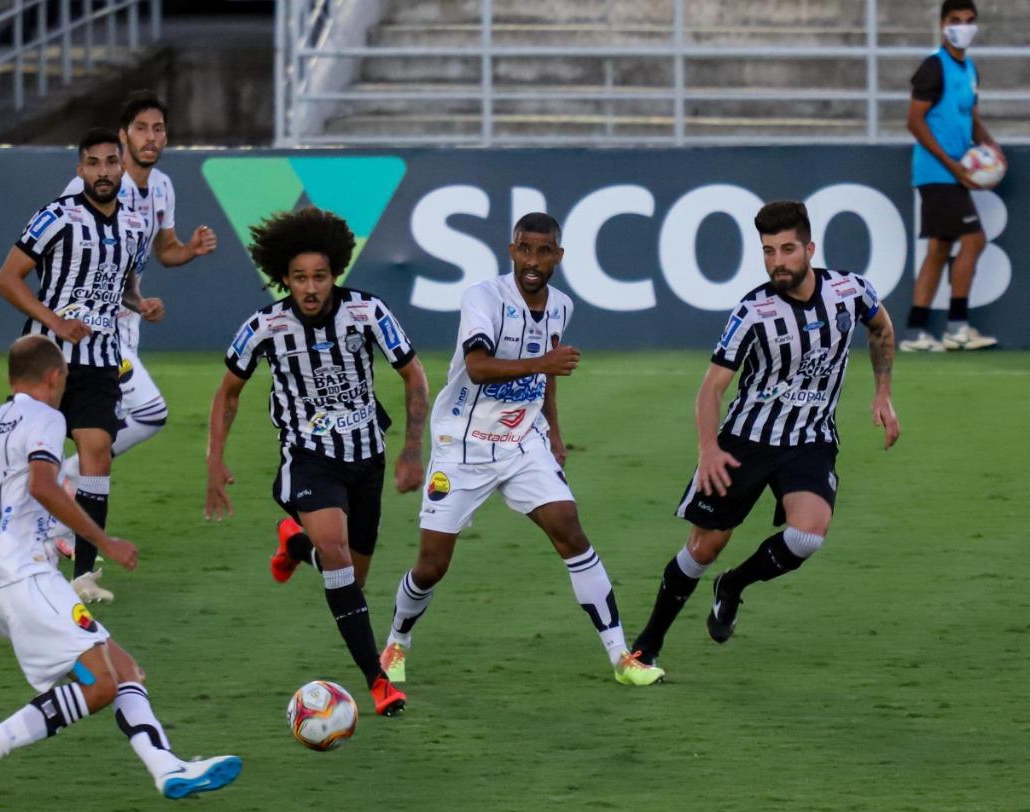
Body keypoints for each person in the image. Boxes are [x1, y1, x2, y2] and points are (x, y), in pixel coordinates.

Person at [0, 336, 240, 812]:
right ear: (55, 376)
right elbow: (44, 485)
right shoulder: (45, 418)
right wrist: (104, 543)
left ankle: (166, 767)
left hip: (1, 581)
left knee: (123, 670)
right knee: (101, 683)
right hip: (24, 576)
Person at [377, 212, 664, 689]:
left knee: (570, 532)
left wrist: (553, 430)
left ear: (558, 256)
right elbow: (478, 367)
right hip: (461, 445)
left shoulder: (562, 306)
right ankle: (396, 642)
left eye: (544, 251)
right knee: (432, 564)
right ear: (512, 251)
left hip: (522, 442)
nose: (533, 261)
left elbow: (545, 376)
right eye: (525, 250)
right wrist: (545, 362)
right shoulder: (483, 298)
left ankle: (621, 656)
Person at [631, 201, 901, 667]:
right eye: (768, 251)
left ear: (810, 249)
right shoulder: (753, 313)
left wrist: (883, 394)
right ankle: (648, 644)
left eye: (788, 249)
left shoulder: (851, 290)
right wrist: (708, 448)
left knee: (807, 536)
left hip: (810, 438)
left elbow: (881, 330)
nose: (778, 260)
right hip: (745, 442)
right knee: (704, 549)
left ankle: (733, 585)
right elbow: (712, 387)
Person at [204, 207, 429, 717]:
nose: (310, 288)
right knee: (339, 556)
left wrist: (411, 451)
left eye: (320, 277)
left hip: (367, 458)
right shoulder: (264, 327)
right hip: (309, 460)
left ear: (336, 275)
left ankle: (294, 545)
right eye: (300, 278)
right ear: (283, 278)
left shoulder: (368, 313)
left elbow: (414, 376)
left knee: (351, 578)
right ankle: (377, 681)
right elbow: (228, 394)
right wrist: (214, 462)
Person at [0, 128, 149, 604]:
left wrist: (142, 305)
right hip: (47, 358)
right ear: (79, 169)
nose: (103, 172)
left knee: (97, 453)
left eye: (110, 162)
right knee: (22, 463)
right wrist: (54, 322)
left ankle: (82, 576)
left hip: (102, 358)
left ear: (122, 167)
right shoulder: (55, 217)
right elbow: (8, 279)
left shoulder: (135, 226)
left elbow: (118, 284)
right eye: (93, 163)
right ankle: (9, 555)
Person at [56, 91, 218, 515]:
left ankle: (57, 529)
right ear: (124, 135)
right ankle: (62, 481)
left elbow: (165, 250)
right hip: (90, 326)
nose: (151, 137)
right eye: (141, 128)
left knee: (104, 429)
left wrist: (191, 250)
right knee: (148, 413)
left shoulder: (162, 187)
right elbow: (63, 248)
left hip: (126, 323)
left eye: (158, 129)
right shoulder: (96, 184)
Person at [901, 0, 1002, 352]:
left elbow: (969, 115)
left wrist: (990, 143)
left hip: (955, 171)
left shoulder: (969, 68)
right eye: (956, 20)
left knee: (940, 248)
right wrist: (951, 163)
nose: (963, 26)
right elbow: (914, 121)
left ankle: (916, 330)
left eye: (969, 20)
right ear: (943, 24)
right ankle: (957, 326)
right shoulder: (934, 67)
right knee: (974, 240)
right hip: (938, 171)